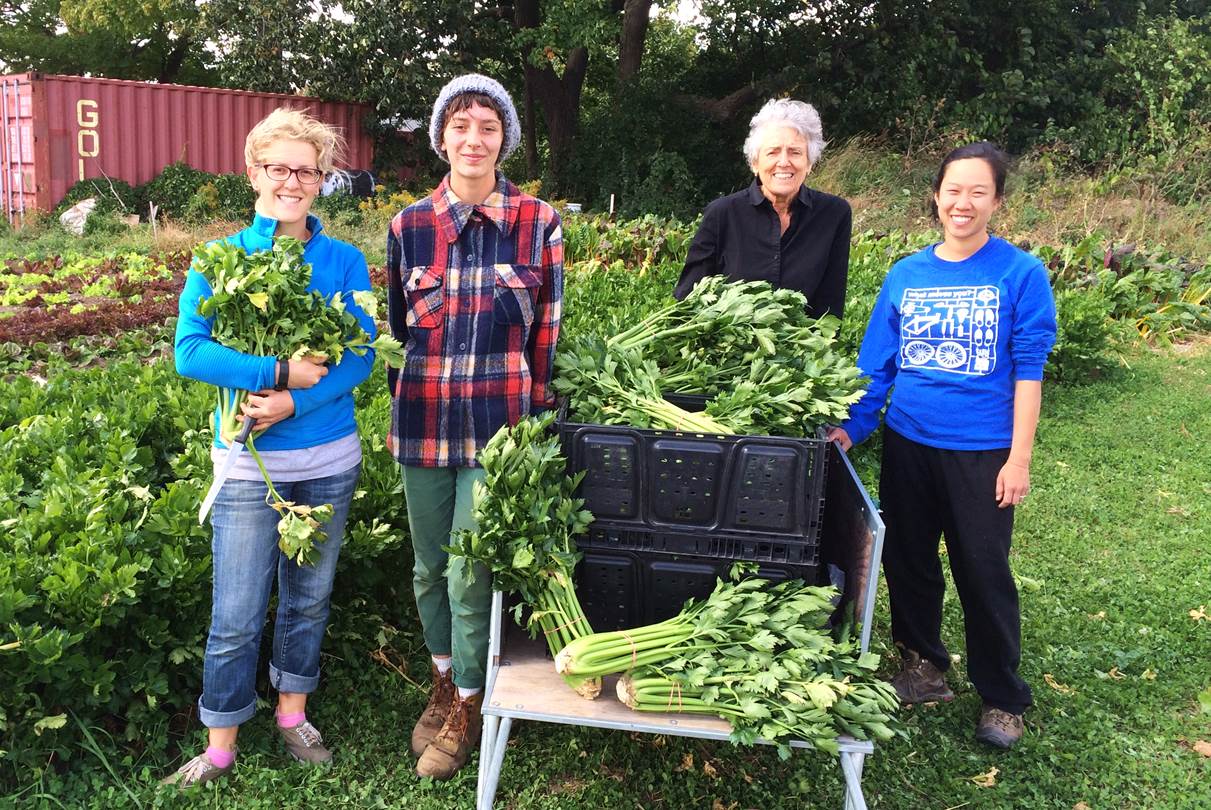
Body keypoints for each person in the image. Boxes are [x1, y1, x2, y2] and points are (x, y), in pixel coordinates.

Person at [167, 108, 377, 787]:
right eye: (278, 167)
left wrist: (296, 399)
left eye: (306, 170)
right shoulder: (219, 257)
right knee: (233, 614)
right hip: (245, 467)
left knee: (306, 600)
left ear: (321, 179)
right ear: (254, 170)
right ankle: (220, 741)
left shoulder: (345, 260)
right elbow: (189, 352)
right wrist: (274, 373)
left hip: (328, 461)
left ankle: (292, 714)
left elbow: (362, 354)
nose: (292, 181)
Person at [828, 142, 1057, 750]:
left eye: (978, 192)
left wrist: (1020, 458)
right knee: (908, 562)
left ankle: (1003, 697)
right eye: (953, 190)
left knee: (983, 572)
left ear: (996, 202)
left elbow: (1029, 373)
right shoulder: (907, 274)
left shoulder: (1020, 274)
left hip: (982, 452)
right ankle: (923, 665)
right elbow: (876, 367)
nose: (963, 203)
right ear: (936, 195)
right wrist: (854, 426)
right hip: (909, 442)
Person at [384, 74, 562, 780]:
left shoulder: (538, 220)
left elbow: (546, 327)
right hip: (423, 421)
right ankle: (443, 675)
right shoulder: (407, 226)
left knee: (469, 570)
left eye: (487, 126)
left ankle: (467, 699)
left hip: (499, 428)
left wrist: (538, 415)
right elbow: (397, 333)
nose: (473, 139)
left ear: (504, 139)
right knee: (429, 566)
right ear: (441, 137)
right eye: (459, 124)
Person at [674, 97, 852, 319]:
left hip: (801, 348)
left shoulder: (833, 215)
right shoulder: (722, 215)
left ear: (809, 163)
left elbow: (830, 308)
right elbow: (688, 301)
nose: (784, 162)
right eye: (773, 152)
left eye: (795, 152)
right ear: (755, 163)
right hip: (727, 350)